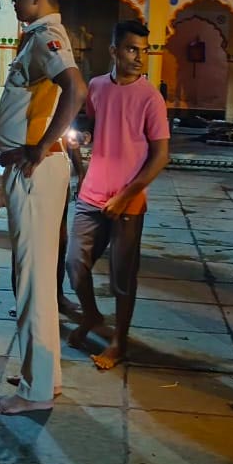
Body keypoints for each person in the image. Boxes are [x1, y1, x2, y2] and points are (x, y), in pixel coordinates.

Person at [0, 0, 86, 415]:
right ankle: (44, 377)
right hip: (35, 170)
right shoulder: (39, 37)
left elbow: (76, 90)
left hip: (33, 171)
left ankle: (34, 391)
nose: (14, 0)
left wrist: (41, 146)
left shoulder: (47, 37)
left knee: (31, 279)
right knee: (38, 278)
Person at [64, 20, 170, 370]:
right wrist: (81, 164)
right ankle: (91, 315)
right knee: (75, 264)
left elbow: (160, 156)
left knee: (122, 277)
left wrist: (126, 195)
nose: (139, 57)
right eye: (131, 49)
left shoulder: (151, 97)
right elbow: (95, 127)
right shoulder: (96, 87)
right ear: (113, 51)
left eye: (144, 51)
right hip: (92, 193)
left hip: (129, 201)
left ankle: (118, 342)